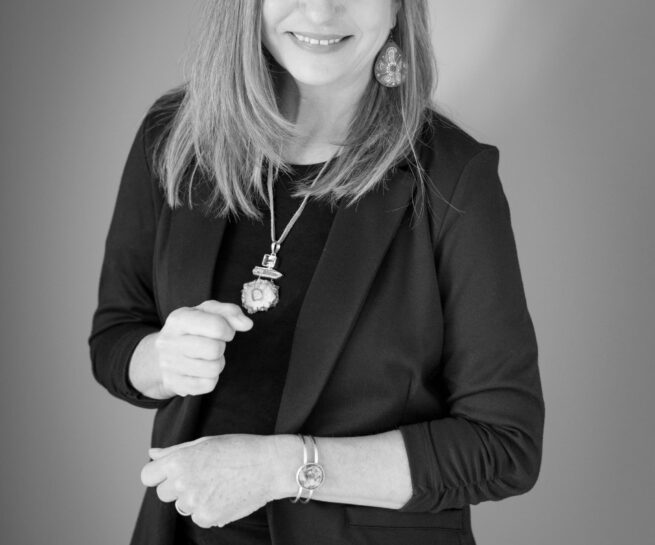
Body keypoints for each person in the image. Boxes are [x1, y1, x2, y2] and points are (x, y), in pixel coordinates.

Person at [88, 1, 545, 544]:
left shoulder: (452, 175)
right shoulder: (175, 135)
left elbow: (503, 447)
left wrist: (280, 468)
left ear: (399, 9)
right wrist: (159, 360)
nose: (322, 9)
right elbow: (117, 336)